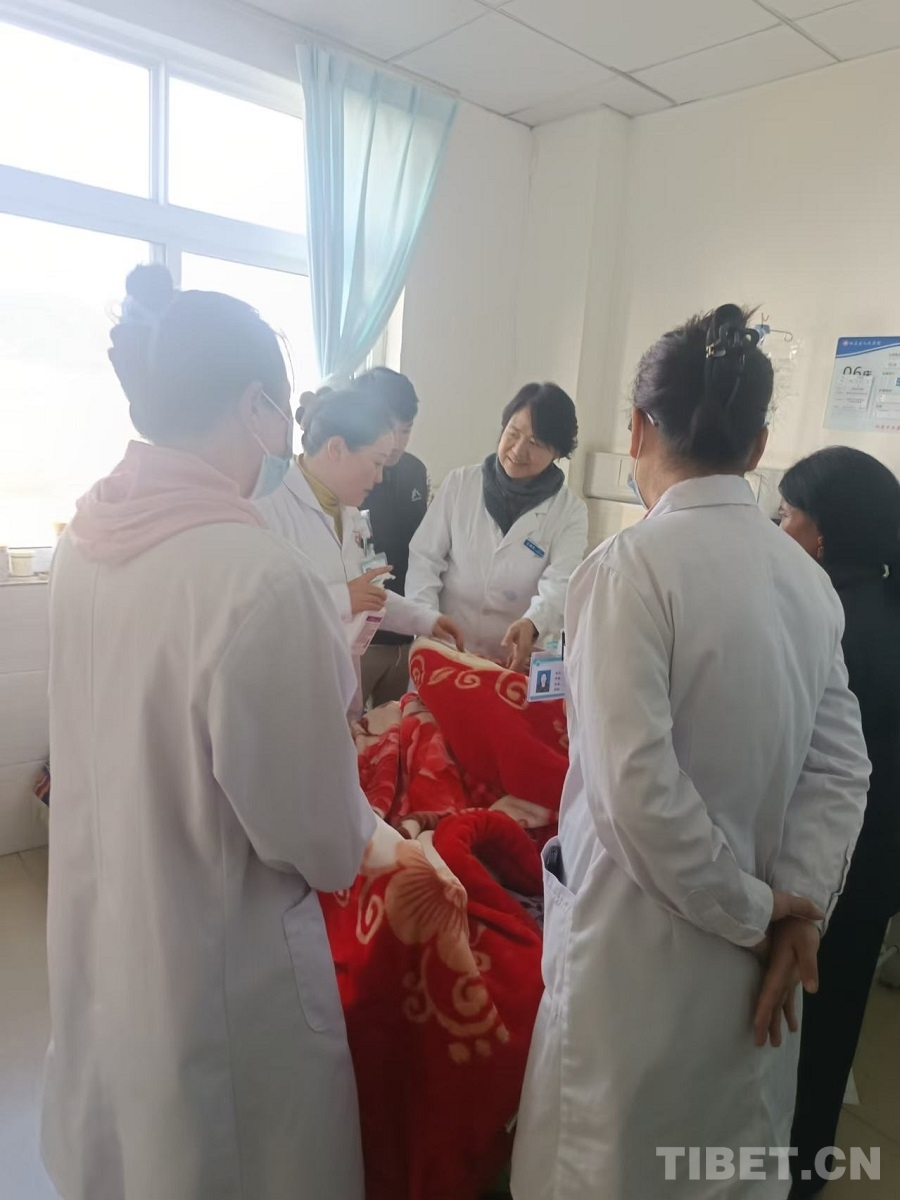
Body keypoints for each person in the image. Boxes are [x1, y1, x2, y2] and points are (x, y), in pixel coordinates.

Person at [511, 306, 871, 1200]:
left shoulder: (628, 568)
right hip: (762, 955)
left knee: (613, 1166)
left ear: (636, 429)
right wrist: (797, 911)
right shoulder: (808, 583)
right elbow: (840, 770)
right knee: (722, 1163)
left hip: (642, 952)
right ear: (759, 449)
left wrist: (757, 911)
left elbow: (638, 797)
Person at [42, 286, 375, 1200]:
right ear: (254, 405)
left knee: (129, 1148)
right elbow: (318, 840)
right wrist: (375, 834)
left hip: (107, 927)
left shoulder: (84, 543)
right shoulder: (255, 579)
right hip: (218, 971)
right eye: (282, 408)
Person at [779, 447, 900, 1196]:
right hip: (875, 863)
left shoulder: (827, 621)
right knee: (834, 1022)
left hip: (831, 865)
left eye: (787, 515)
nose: (778, 528)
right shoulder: (883, 602)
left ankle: (787, 1169)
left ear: (820, 535)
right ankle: (810, 1164)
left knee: (800, 1024)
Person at [255, 387, 461, 714]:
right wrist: (341, 599)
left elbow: (368, 594)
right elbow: (257, 611)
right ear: (336, 448)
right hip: (286, 696)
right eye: (376, 463)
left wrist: (427, 620)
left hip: (336, 690)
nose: (379, 478)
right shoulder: (268, 506)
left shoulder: (350, 513)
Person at [406, 383, 588, 671]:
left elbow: (561, 582)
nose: (518, 450)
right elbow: (424, 560)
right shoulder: (460, 484)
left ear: (557, 452)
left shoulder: (569, 512)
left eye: (536, 443)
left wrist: (534, 622)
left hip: (511, 662)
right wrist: (427, 621)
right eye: (513, 433)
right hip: (444, 650)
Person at [353, 368, 430, 707]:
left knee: (396, 727)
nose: (397, 442)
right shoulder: (348, 474)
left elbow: (425, 548)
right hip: (359, 636)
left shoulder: (415, 471)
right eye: (390, 429)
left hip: (404, 632)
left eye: (406, 430)